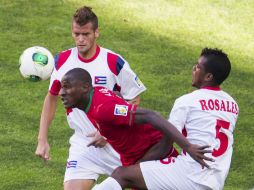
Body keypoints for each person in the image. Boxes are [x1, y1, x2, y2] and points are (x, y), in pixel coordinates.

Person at [92, 48, 239, 190]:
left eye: (198, 67)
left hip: (191, 174)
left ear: (208, 77)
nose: (194, 69)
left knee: (122, 174)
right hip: (216, 179)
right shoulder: (233, 105)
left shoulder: (187, 101)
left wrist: (138, 165)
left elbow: (166, 144)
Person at [35, 6, 147, 190]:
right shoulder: (61, 61)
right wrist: (42, 140)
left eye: (86, 34)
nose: (80, 39)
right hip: (84, 143)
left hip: (118, 142)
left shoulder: (113, 62)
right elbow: (51, 97)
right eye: (76, 33)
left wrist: (106, 133)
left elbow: (133, 99)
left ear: (97, 33)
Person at [59, 68, 214, 185]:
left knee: (119, 177)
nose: (61, 93)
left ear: (85, 87)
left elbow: (150, 116)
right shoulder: (97, 94)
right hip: (136, 157)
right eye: (61, 87)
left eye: (66, 87)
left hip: (152, 153)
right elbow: (117, 97)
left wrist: (188, 146)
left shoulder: (103, 109)